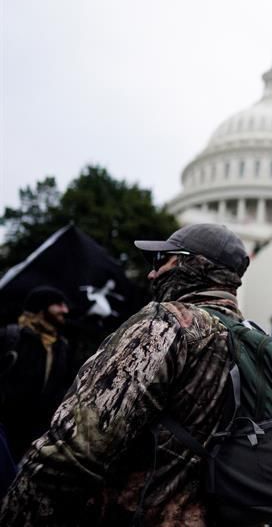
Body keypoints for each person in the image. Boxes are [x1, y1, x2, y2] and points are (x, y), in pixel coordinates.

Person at [0, 223, 251, 525]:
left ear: (190, 264)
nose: (151, 274)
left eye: (161, 261)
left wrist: (14, 512)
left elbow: (76, 448)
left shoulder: (162, 325)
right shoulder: (251, 341)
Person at [0, 286, 72, 461]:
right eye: (58, 305)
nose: (65, 310)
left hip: (34, 433)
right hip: (4, 428)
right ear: (41, 309)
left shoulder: (61, 346)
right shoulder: (11, 337)